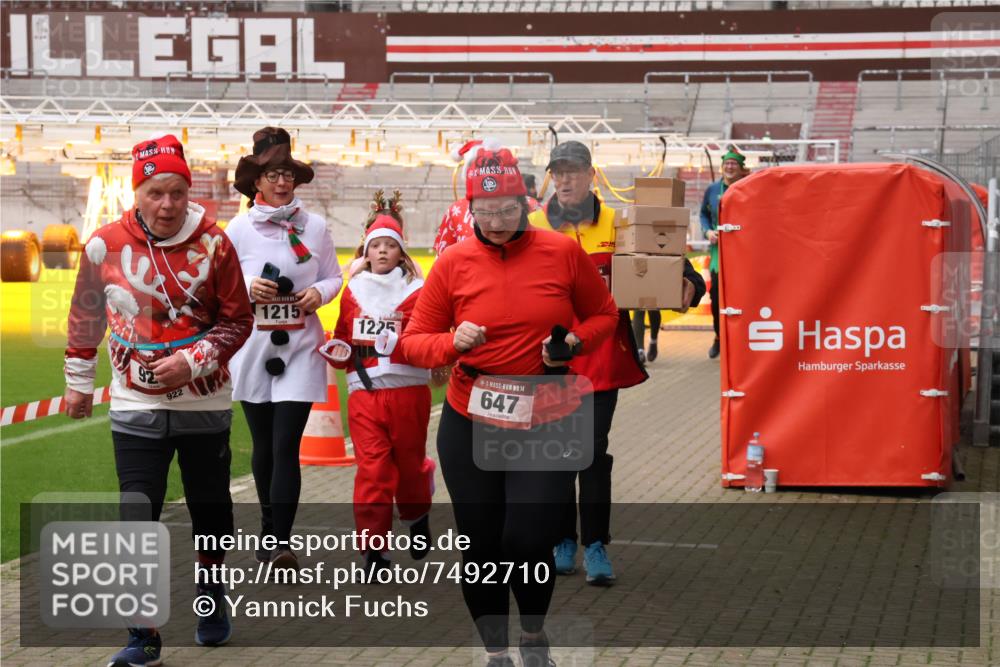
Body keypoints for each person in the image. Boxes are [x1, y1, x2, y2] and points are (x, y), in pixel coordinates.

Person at [401, 144, 620, 666]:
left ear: (526, 203)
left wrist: (571, 345)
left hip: (545, 412)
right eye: (484, 211)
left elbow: (605, 316)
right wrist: (453, 342)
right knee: (479, 545)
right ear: (468, 208)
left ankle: (534, 633)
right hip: (469, 414)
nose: (496, 223)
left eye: (506, 211)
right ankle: (496, 650)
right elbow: (412, 341)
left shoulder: (562, 252)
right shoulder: (454, 262)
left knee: (528, 536)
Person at [63, 133, 253, 666]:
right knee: (136, 510)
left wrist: (191, 362)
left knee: (210, 509)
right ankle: (141, 635)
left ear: (188, 191)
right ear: (137, 192)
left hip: (204, 404)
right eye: (154, 193)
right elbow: (85, 315)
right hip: (133, 402)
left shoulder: (216, 244)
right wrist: (79, 381)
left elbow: (239, 320)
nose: (166, 204)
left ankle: (212, 595)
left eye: (175, 191)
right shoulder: (103, 244)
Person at [528, 141, 705, 585]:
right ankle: (561, 539)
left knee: (588, 451)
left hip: (601, 359)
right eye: (558, 172)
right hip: (544, 362)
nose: (565, 180)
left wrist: (689, 285)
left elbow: (676, 268)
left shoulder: (622, 223)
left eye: (573, 171)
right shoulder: (530, 226)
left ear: (592, 174)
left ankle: (594, 544)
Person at [225, 126, 344, 570]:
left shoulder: (315, 226)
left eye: (287, 174)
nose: (281, 182)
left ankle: (278, 542)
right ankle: (268, 527)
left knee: (285, 443)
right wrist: (246, 288)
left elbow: (333, 276)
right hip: (253, 348)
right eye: (272, 174)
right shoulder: (237, 229)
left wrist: (321, 295)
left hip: (300, 346)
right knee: (263, 446)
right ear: (255, 182)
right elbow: (221, 288)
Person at [319, 208, 433, 574]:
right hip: (364, 394)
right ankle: (374, 549)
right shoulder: (352, 291)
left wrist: (395, 342)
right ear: (365, 253)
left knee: (410, 468)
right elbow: (342, 336)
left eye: (390, 245)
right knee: (372, 470)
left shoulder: (418, 291)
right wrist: (337, 354)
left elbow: (425, 339)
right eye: (376, 245)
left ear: (401, 252)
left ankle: (416, 515)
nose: (382, 251)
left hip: (408, 392)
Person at [433, 139, 541, 255]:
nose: (496, 224)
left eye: (508, 210)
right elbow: (443, 258)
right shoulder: (455, 211)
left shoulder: (532, 206)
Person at [700, 148, 749, 359]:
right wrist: (707, 231)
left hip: (742, 254)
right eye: (727, 164)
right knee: (717, 298)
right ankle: (719, 337)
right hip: (718, 254)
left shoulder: (748, 188)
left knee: (741, 298)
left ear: (740, 168)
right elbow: (703, 214)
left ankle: (741, 341)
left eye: (734, 164)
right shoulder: (712, 189)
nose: (730, 167)